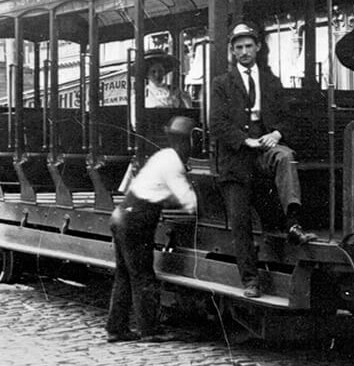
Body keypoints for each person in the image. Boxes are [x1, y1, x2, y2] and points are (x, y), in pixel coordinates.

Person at [210, 23, 317, 299]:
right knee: (240, 221)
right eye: (239, 48)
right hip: (237, 159)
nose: (244, 52)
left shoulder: (270, 80)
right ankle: (250, 281)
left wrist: (277, 133)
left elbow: (287, 117)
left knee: (286, 156)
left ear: (258, 47)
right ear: (233, 52)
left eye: (249, 46)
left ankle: (293, 222)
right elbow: (217, 123)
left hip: (265, 150)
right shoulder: (222, 83)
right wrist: (245, 141)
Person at [106, 115, 198, 343]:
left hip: (122, 216)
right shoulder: (174, 162)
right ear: (187, 141)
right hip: (137, 221)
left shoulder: (162, 155)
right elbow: (189, 202)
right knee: (143, 276)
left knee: (124, 276)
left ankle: (116, 329)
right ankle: (150, 331)